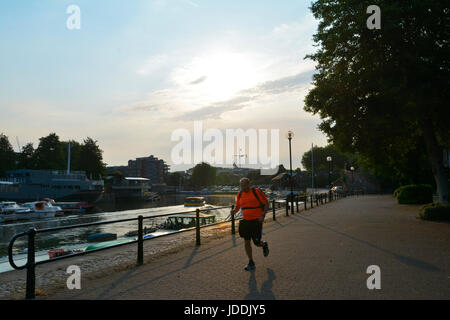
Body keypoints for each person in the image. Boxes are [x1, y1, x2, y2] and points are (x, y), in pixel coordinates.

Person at [232, 177, 270, 271]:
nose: (243, 187)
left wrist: (263, 216)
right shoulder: (239, 194)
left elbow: (266, 203)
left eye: (244, 185)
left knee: (256, 243)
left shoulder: (256, 191)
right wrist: (234, 211)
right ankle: (251, 262)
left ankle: (263, 245)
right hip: (246, 221)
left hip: (256, 221)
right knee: (246, 241)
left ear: (249, 184)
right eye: (241, 185)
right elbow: (238, 206)